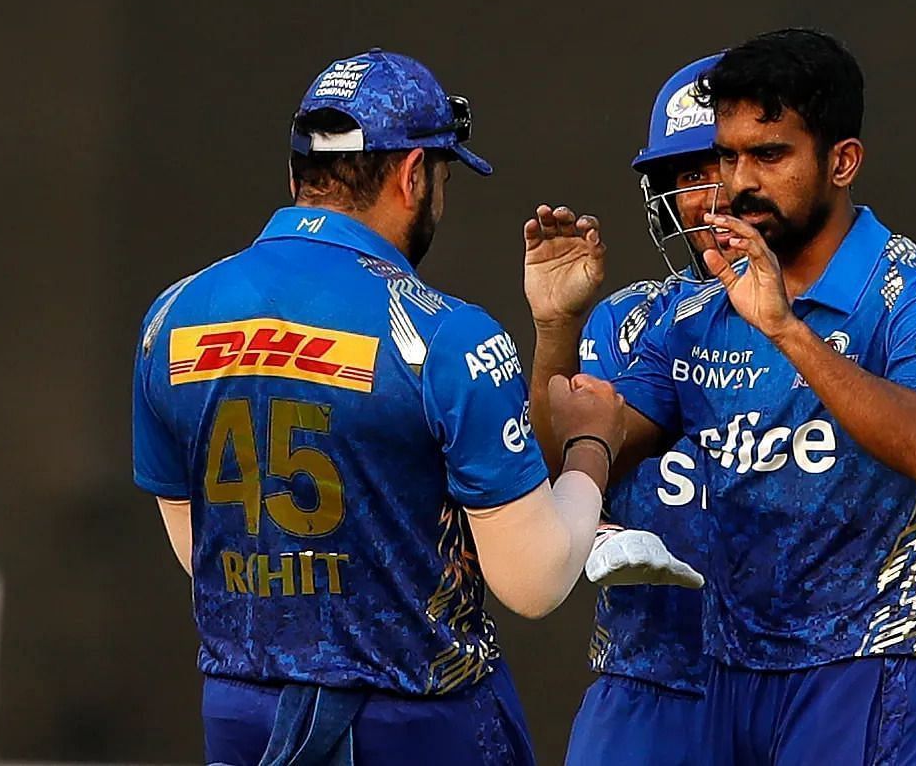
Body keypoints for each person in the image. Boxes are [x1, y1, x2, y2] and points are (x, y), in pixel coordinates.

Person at [132, 48, 625, 766]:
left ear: (299, 173)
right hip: (415, 722)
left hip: (242, 710)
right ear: (412, 174)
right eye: (443, 176)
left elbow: (200, 547)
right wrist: (592, 449)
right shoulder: (447, 333)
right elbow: (536, 578)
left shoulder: (168, 316)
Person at [523, 29, 916, 765]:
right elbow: (582, 456)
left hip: (859, 660)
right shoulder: (683, 312)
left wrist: (784, 327)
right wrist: (556, 327)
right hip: (699, 666)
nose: (732, 186)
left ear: (842, 162)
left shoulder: (906, 291)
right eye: (727, 157)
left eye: (764, 156)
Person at [563, 54, 722, 766]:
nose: (714, 197)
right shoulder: (623, 319)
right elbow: (561, 465)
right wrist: (591, 527)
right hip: (644, 672)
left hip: (801, 677)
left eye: (727, 165)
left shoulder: (848, 314)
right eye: (691, 176)